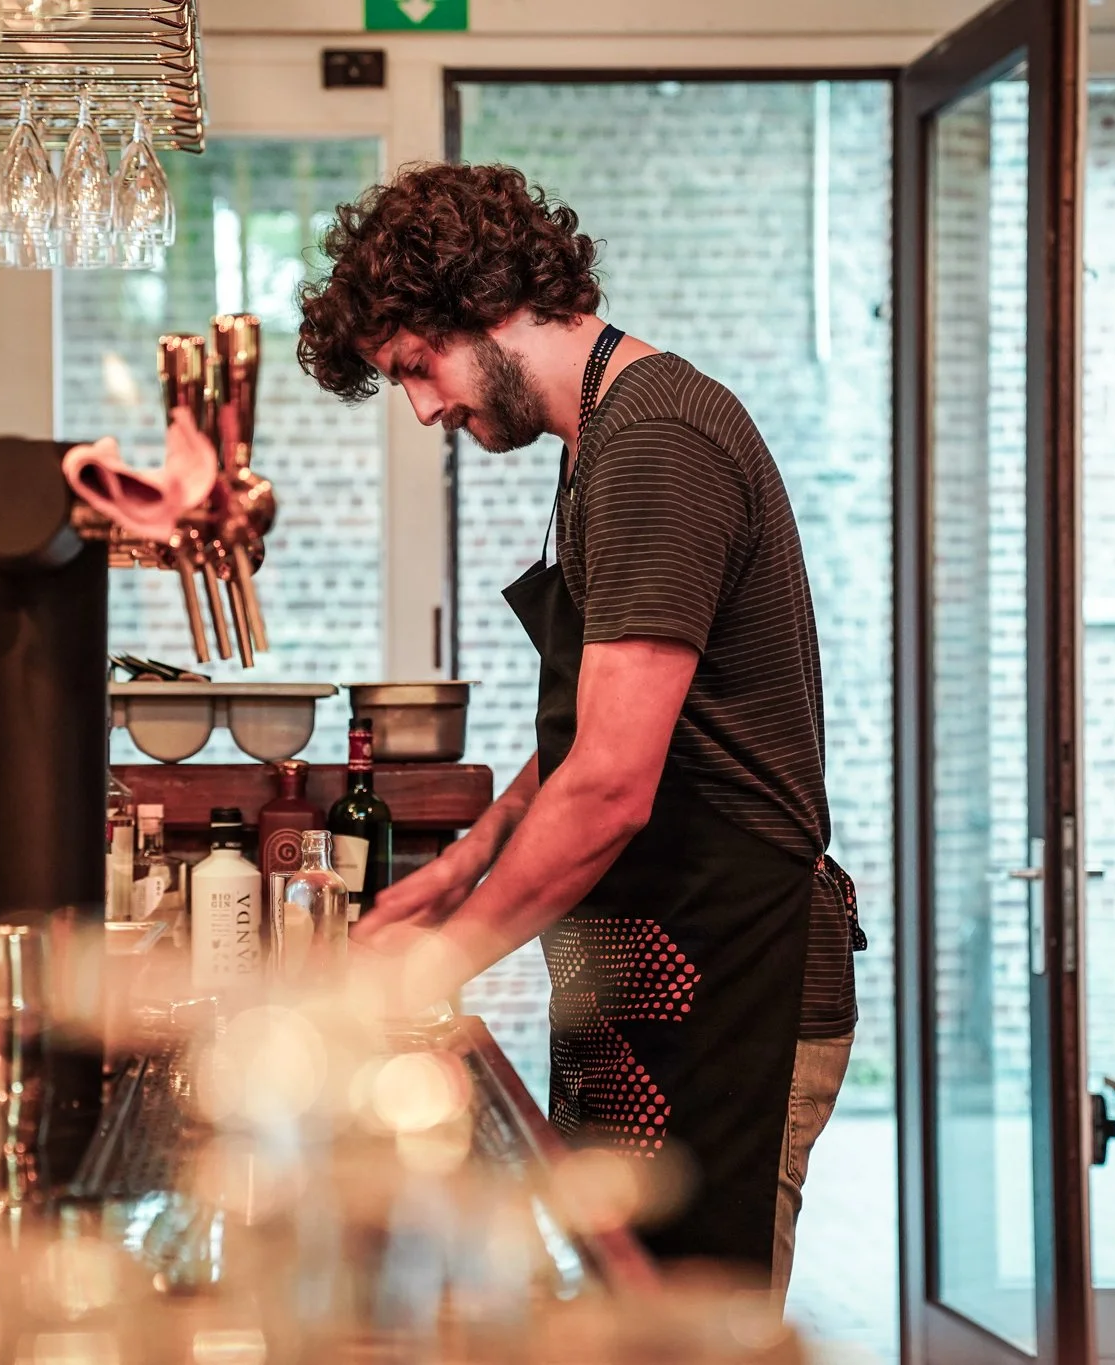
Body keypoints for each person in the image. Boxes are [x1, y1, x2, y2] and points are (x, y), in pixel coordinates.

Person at [295, 162, 864, 1298]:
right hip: (655, 963)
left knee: (683, 1323)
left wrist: (439, 966)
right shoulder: (599, 443)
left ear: (486, 299)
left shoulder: (656, 442)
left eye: (418, 366)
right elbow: (583, 741)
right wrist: (451, 877)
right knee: (614, 1303)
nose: (423, 408)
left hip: (729, 968)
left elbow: (609, 786)